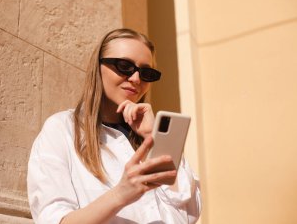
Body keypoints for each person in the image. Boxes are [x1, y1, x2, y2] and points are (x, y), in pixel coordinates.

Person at [27, 28, 201, 224]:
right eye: (124, 65)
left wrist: (154, 139)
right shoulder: (62, 129)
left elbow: (189, 211)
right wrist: (121, 193)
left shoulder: (150, 136)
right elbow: (54, 220)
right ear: (97, 67)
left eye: (146, 73)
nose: (136, 79)